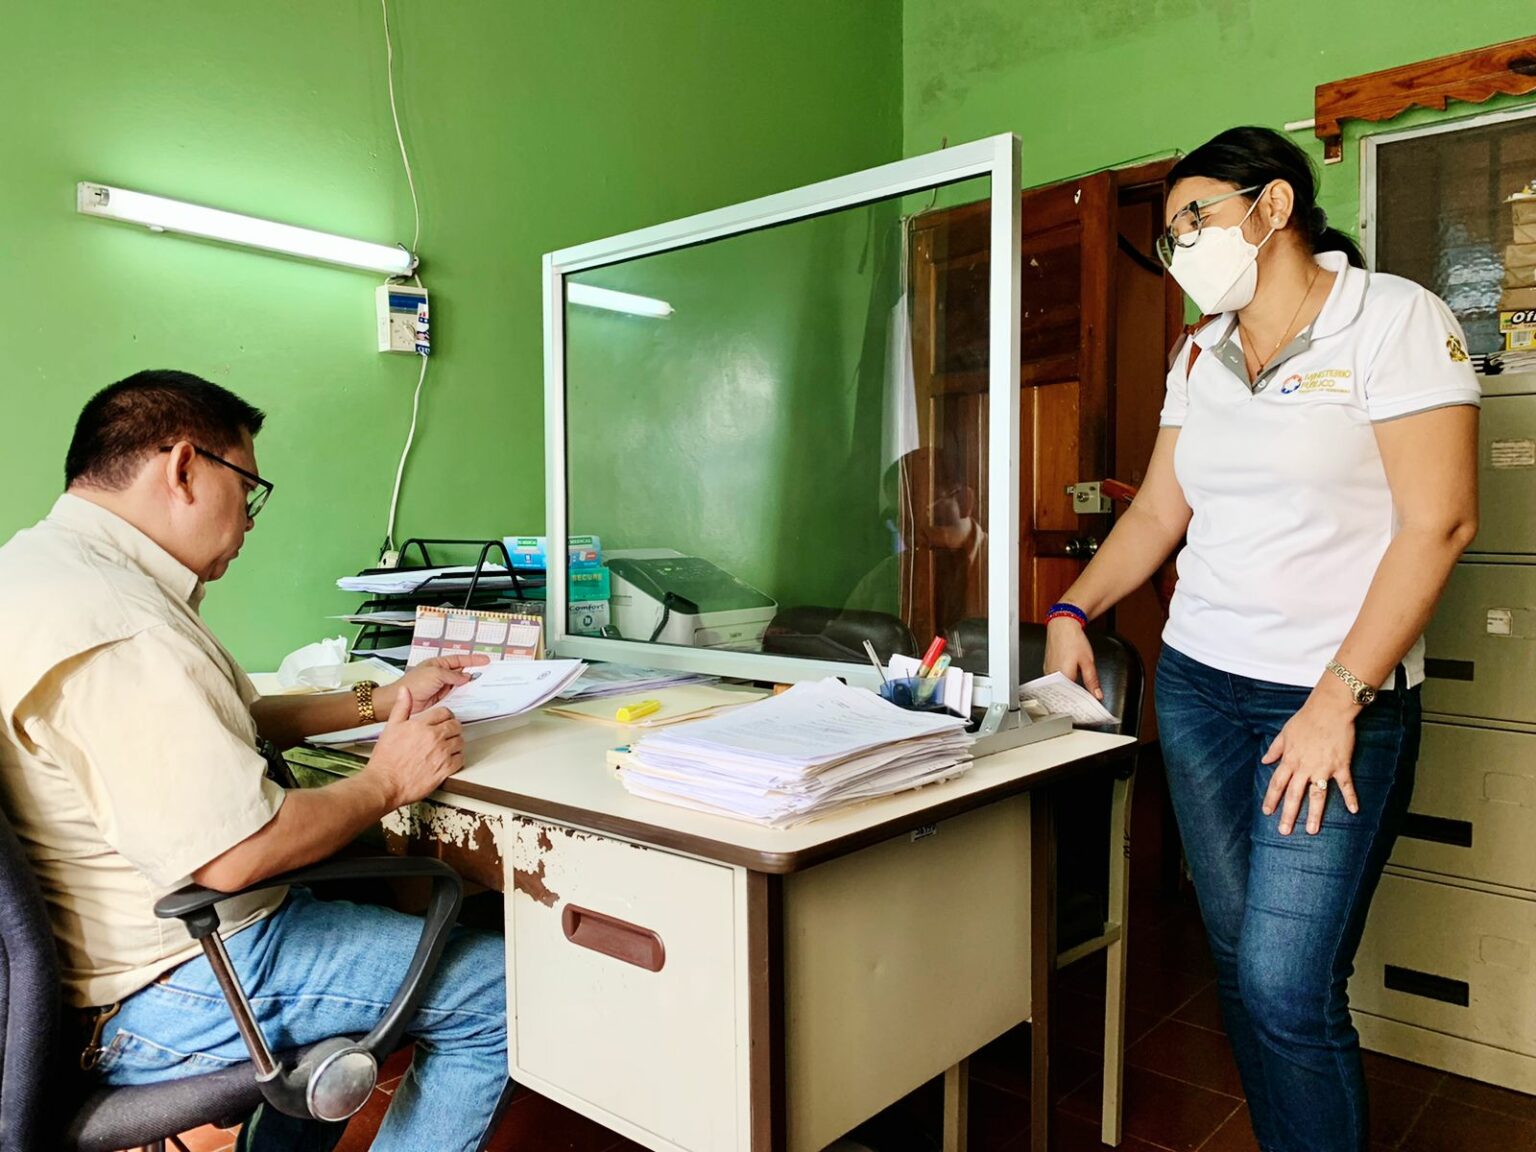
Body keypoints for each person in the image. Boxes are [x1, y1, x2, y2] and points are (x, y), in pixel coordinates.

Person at [1042, 127, 1479, 1152]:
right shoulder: (1200, 353)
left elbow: (1441, 522)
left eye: (1194, 218)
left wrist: (1337, 699)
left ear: (1272, 206)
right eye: (1169, 235)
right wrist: (1071, 611)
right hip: (1201, 692)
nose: (1180, 246)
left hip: (1328, 704)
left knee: (1287, 983)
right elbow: (1160, 513)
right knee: (1240, 964)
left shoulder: (1394, 318)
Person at [0, 370, 510, 1151]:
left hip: (115, 965)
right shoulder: (119, 626)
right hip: (170, 985)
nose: (248, 520)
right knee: (498, 995)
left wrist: (377, 700)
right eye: (248, 490)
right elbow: (238, 853)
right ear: (184, 468)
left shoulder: (42, 571)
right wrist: (387, 780)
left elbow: (232, 720)